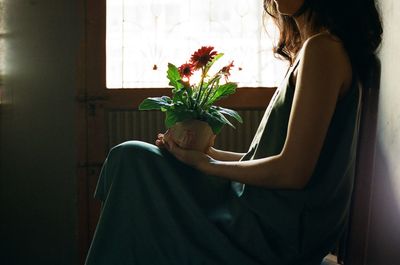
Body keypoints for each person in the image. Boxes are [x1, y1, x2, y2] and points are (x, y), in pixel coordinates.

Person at [85, 0, 382, 264]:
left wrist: (208, 165)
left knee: (132, 161)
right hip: (262, 212)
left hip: (273, 234)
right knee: (133, 157)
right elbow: (272, 157)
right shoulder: (314, 51)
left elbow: (293, 172)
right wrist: (206, 154)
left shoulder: (323, 51)